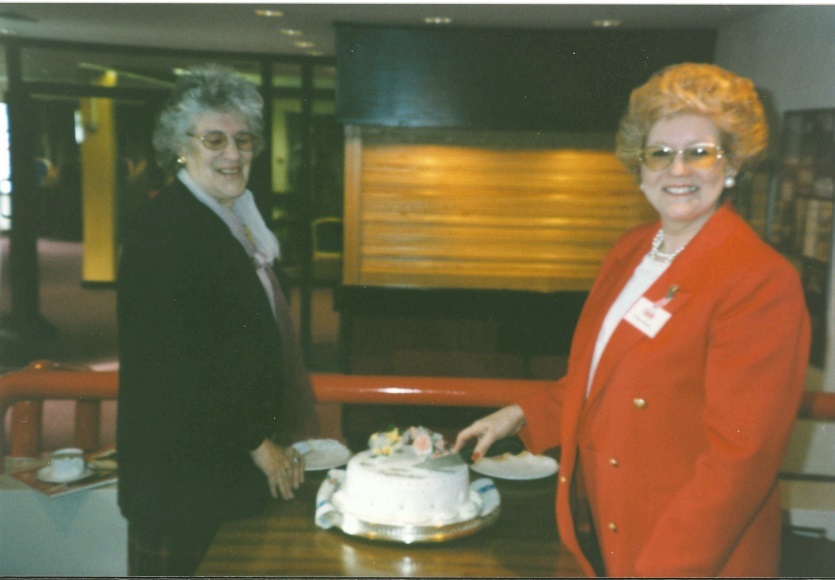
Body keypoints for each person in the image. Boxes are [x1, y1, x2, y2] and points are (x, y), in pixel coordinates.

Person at [454, 63, 810, 577]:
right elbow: (609, 375)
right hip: (609, 525)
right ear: (639, 168)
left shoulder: (757, 278)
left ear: (732, 164)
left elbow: (740, 460)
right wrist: (523, 414)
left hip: (689, 550)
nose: (678, 170)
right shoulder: (630, 252)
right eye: (659, 154)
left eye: (699, 153)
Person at [117, 64, 320, 576]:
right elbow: (179, 362)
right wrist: (258, 443)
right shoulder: (167, 228)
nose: (233, 154)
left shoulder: (234, 216)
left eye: (243, 139)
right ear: (180, 147)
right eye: (214, 139)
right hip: (182, 478)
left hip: (223, 466)